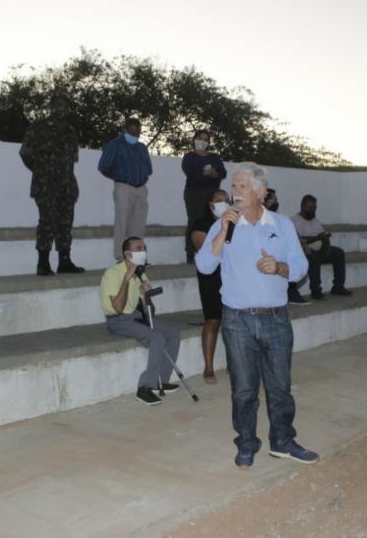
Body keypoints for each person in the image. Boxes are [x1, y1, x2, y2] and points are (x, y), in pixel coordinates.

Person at [195, 162, 318, 469]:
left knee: (280, 387)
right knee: (244, 390)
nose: (235, 192)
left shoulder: (281, 224)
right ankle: (247, 442)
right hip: (237, 321)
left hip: (276, 318)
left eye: (242, 186)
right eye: (234, 186)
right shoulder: (224, 223)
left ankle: (283, 442)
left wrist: (279, 267)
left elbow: (301, 268)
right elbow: (204, 267)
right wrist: (223, 230)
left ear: (261, 192)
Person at [100, 236, 181, 405]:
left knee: (173, 334)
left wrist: (146, 296)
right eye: (138, 248)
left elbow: (149, 313)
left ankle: (161, 381)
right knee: (156, 338)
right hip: (118, 320)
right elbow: (118, 308)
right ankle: (144, 387)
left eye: (144, 247)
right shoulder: (112, 273)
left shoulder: (141, 273)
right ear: (127, 254)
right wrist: (127, 280)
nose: (143, 251)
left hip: (136, 317)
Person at [19, 92, 85, 276]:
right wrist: (40, 171)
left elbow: (72, 159)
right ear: (51, 107)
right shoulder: (38, 127)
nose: (60, 109)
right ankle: (43, 263)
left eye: (64, 106)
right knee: (47, 222)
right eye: (57, 105)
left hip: (67, 184)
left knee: (65, 223)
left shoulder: (71, 131)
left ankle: (65, 261)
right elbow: (25, 153)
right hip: (44, 184)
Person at [98, 118, 153, 262]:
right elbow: (103, 167)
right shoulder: (114, 145)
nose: (135, 135)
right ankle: (120, 256)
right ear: (125, 130)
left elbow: (148, 169)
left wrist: (142, 179)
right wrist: (119, 177)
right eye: (132, 132)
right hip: (123, 187)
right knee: (122, 222)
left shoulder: (142, 148)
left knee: (139, 224)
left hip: (141, 189)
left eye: (138, 133)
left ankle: (138, 256)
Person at [191, 189, 230, 384]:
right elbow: (203, 249)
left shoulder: (236, 221)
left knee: (232, 321)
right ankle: (208, 367)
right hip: (210, 278)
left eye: (226, 200)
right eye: (219, 200)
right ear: (210, 204)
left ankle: (234, 363)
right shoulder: (201, 224)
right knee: (213, 321)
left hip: (230, 277)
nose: (223, 203)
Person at [290, 195, 352, 301]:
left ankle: (338, 286)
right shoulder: (293, 221)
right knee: (314, 256)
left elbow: (323, 235)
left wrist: (327, 246)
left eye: (314, 208)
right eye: (310, 207)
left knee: (339, 253)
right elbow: (299, 240)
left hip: (320, 249)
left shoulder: (315, 220)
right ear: (303, 206)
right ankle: (316, 290)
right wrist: (316, 238)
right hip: (305, 252)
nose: (312, 210)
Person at [182, 130, 227, 263]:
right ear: (194, 139)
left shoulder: (214, 157)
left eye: (205, 139)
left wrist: (215, 174)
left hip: (212, 193)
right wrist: (205, 174)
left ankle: (213, 250)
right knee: (194, 220)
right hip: (194, 193)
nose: (202, 141)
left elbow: (223, 173)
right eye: (200, 138)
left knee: (213, 221)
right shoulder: (189, 157)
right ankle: (191, 252)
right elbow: (190, 172)